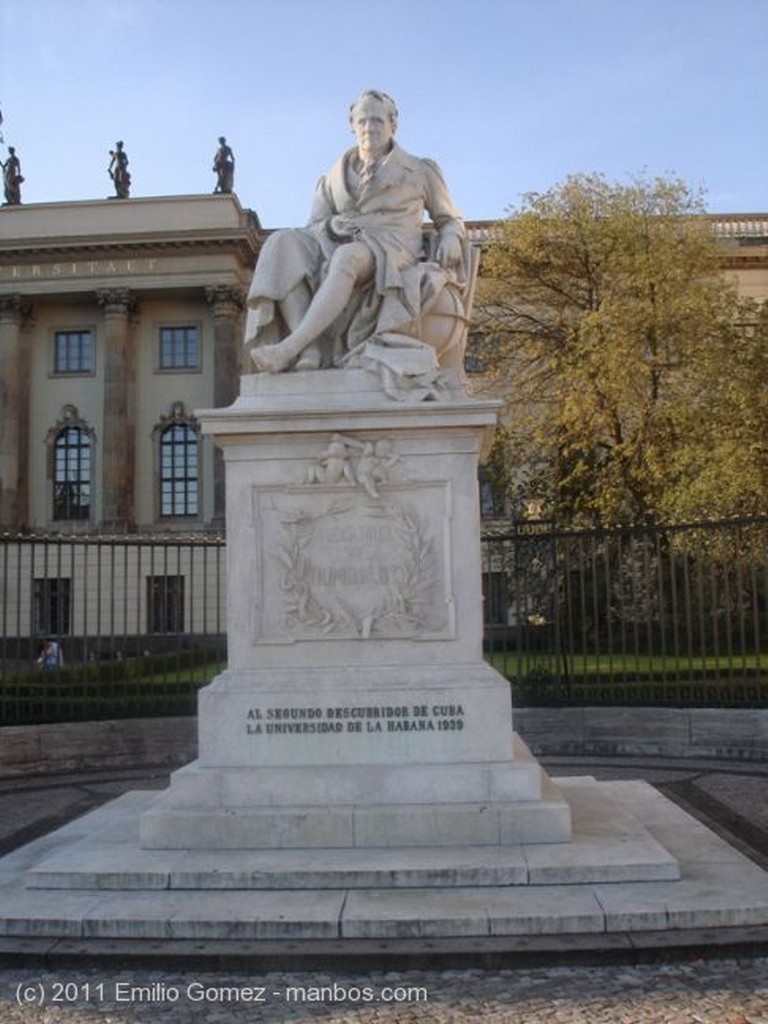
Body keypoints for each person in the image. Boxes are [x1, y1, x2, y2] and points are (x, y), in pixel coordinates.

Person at [245, 90, 467, 375]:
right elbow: (314, 224)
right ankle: (310, 349)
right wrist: (331, 225)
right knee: (281, 243)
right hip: (338, 241)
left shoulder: (421, 170)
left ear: (392, 125)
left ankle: (290, 347)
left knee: (348, 258)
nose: (369, 128)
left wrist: (451, 236)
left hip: (392, 248)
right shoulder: (332, 177)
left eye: (377, 120)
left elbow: (450, 218)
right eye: (362, 121)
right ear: (352, 125)